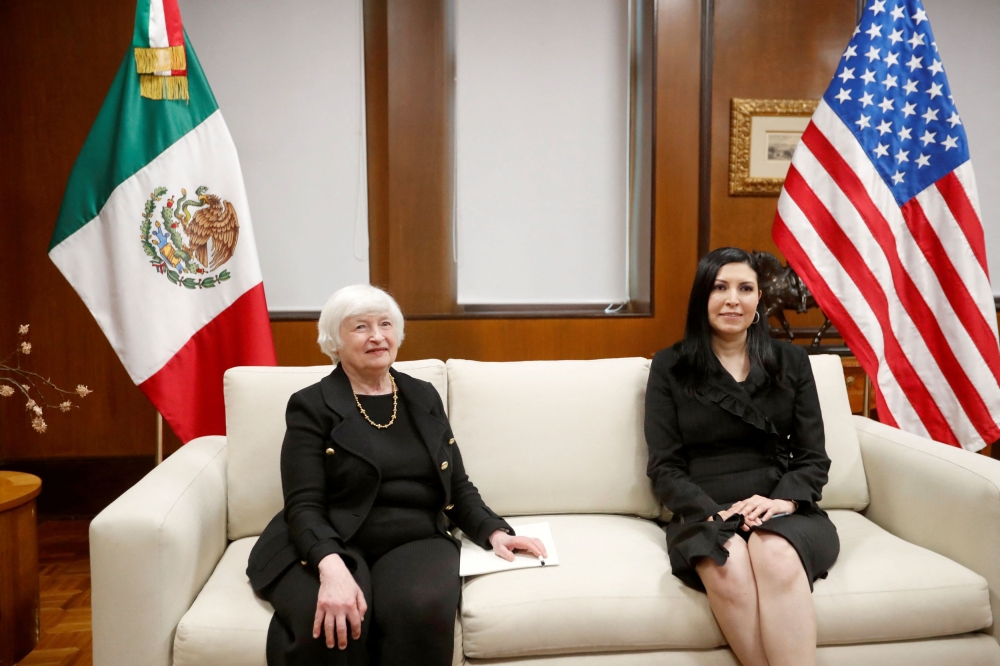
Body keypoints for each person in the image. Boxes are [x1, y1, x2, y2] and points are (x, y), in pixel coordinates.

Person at [247, 284, 546, 666]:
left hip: (414, 538)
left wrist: (494, 531)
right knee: (333, 623)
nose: (377, 336)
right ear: (334, 341)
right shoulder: (311, 405)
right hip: (331, 535)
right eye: (360, 327)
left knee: (419, 610)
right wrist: (330, 565)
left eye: (385, 324)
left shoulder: (422, 396)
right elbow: (303, 503)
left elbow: (456, 486)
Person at [644, 247, 839, 666]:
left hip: (782, 504)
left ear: (758, 301)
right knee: (727, 563)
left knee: (774, 552)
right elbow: (665, 467)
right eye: (720, 287)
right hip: (707, 510)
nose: (733, 299)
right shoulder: (671, 366)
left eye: (745, 288)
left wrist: (782, 500)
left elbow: (812, 457)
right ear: (702, 298)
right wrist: (711, 512)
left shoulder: (792, 362)